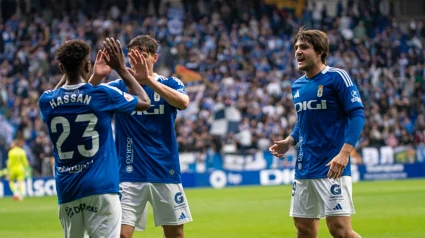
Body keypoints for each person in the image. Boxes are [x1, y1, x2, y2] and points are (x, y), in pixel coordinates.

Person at [38, 38, 151, 238]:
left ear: (62, 67)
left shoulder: (47, 101)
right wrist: (121, 69)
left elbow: (66, 95)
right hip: (101, 188)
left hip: (68, 190)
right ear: (87, 66)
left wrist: (73, 74)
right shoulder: (103, 94)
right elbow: (144, 101)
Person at [89, 35, 192, 238]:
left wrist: (149, 81)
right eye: (134, 55)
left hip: (165, 170)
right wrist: (97, 77)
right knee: (122, 235)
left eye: (143, 55)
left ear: (155, 57)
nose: (138, 60)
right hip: (128, 173)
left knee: (176, 235)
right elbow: (83, 99)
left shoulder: (170, 83)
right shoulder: (118, 87)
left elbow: (183, 103)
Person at [269, 28, 365, 238]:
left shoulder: (337, 77)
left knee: (340, 231)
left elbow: (357, 114)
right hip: (304, 168)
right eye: (296, 48)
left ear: (320, 51)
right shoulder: (297, 85)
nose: (298, 52)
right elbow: (304, 120)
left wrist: (345, 153)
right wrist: (290, 140)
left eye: (304, 47)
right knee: (304, 230)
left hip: (332, 167)